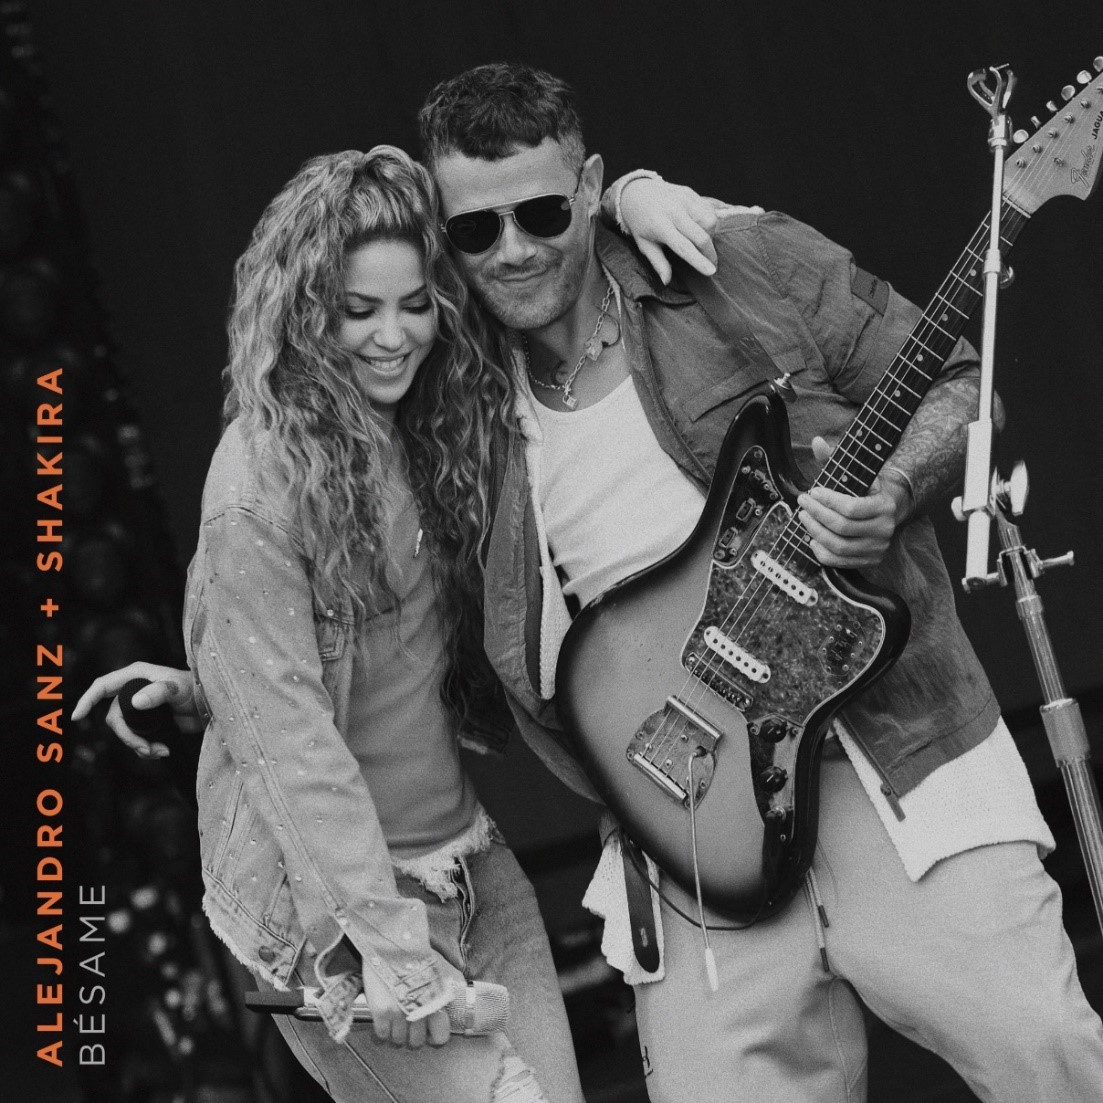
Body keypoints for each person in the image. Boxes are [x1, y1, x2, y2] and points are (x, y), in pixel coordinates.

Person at [411, 63, 1103, 1103]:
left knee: (1046, 1052)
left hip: (883, 757)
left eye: (542, 213)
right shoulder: (450, 404)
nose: (511, 250)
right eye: (475, 229)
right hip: (683, 820)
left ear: (588, 185)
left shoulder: (730, 260)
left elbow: (960, 383)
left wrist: (894, 490)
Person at [72, 143, 733, 1102]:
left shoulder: (428, 427)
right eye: (358, 310)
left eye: (414, 303)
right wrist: (385, 947)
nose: (394, 335)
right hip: (343, 918)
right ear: (305, 312)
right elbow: (292, 744)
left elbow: (535, 265)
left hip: (477, 872)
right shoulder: (257, 487)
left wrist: (630, 197)